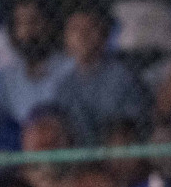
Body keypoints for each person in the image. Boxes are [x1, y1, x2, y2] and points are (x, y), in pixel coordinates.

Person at [55, 8, 150, 147]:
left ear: (104, 35)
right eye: (75, 29)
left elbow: (134, 124)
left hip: (117, 150)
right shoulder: (65, 85)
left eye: (90, 28)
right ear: (66, 39)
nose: (82, 35)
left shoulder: (123, 75)